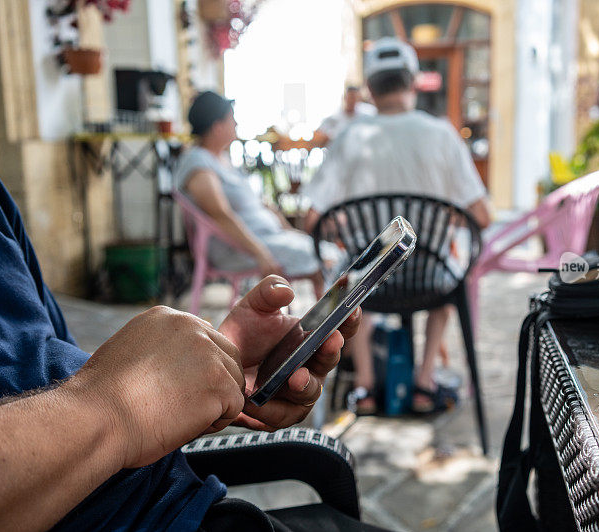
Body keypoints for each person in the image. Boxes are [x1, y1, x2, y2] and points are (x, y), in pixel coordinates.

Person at [0, 158, 396, 532]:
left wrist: (205, 370)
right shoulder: (199, 165)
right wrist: (117, 406)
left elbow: (51, 374)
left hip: (188, 503)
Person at [303, 38, 492, 415]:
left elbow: (312, 219)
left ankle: (366, 388)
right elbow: (482, 217)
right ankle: (424, 382)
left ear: (370, 89)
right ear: (413, 83)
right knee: (449, 274)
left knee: (362, 265)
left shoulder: (349, 137)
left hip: (367, 282)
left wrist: (346, 225)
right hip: (430, 276)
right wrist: (442, 218)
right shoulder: (441, 134)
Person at [175, 91, 327, 297]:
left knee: (329, 252)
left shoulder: (223, 159)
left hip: (265, 239)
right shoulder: (198, 163)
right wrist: (261, 253)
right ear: (217, 126)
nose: (236, 124)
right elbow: (221, 215)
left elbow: (261, 204)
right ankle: (331, 324)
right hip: (237, 249)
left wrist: (289, 231)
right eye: (232, 119)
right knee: (322, 256)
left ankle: (338, 322)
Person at [312, 86, 376, 147]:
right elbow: (318, 137)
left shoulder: (368, 114)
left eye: (355, 98)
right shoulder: (332, 118)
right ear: (344, 98)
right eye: (350, 98)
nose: (352, 101)